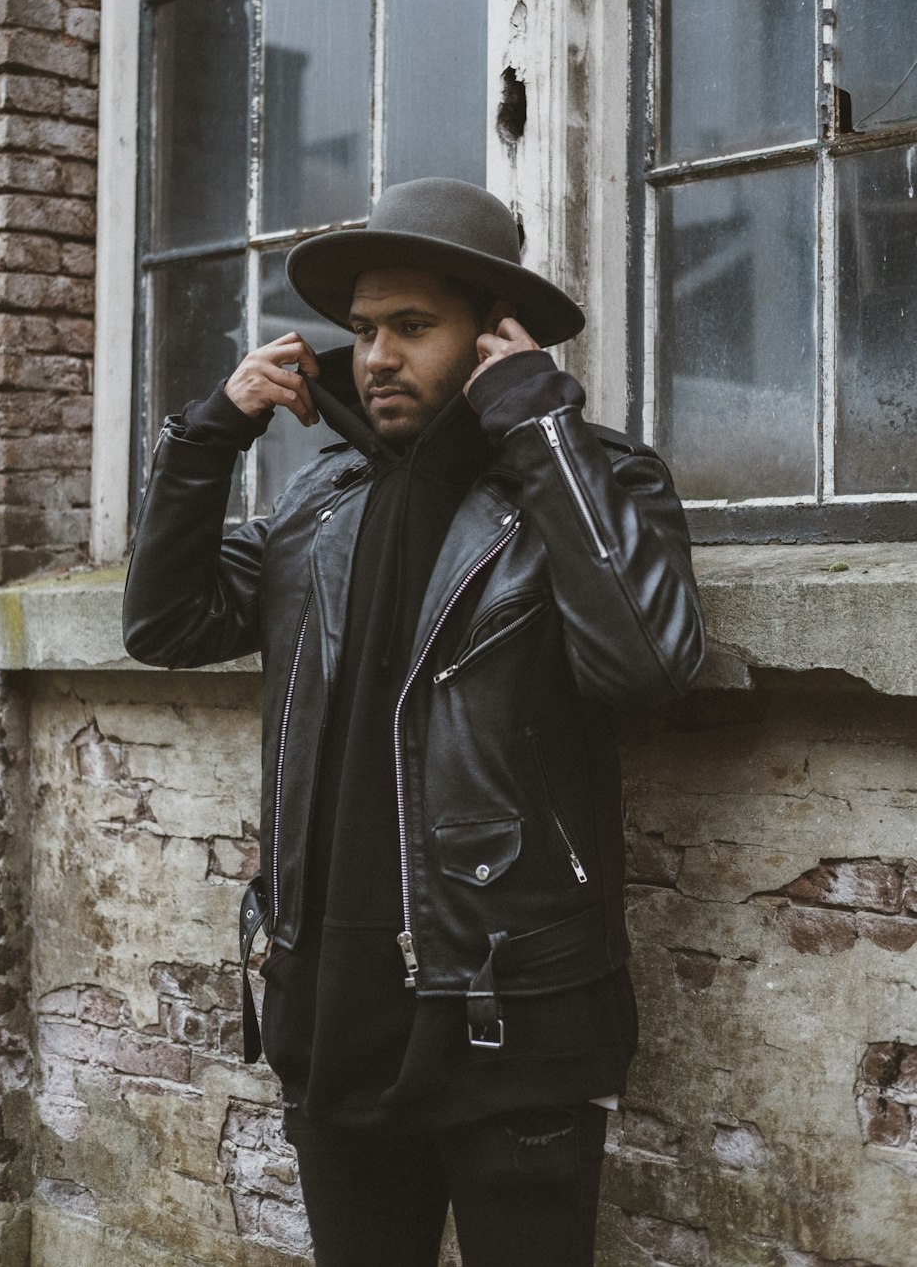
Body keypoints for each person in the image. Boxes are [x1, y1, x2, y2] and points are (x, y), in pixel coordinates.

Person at [123, 177, 704, 1267]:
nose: (376, 356)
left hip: (510, 1008)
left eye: (411, 327)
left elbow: (647, 667)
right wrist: (210, 440)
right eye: (361, 331)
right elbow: (166, 623)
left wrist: (539, 426)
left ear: (492, 335)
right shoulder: (321, 505)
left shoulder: (594, 479)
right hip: (332, 1010)